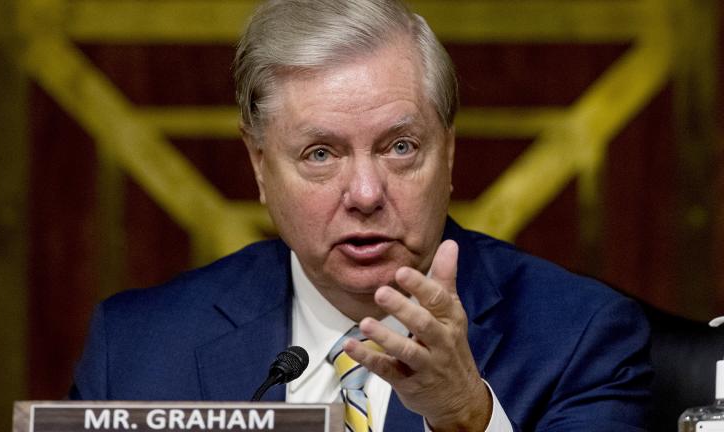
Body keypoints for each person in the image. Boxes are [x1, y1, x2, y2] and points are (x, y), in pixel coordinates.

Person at [70, 0, 652, 430]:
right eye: (320, 154)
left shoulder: (581, 338)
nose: (367, 194)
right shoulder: (135, 349)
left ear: (447, 155)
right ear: (259, 166)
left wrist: (466, 416)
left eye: (400, 147)